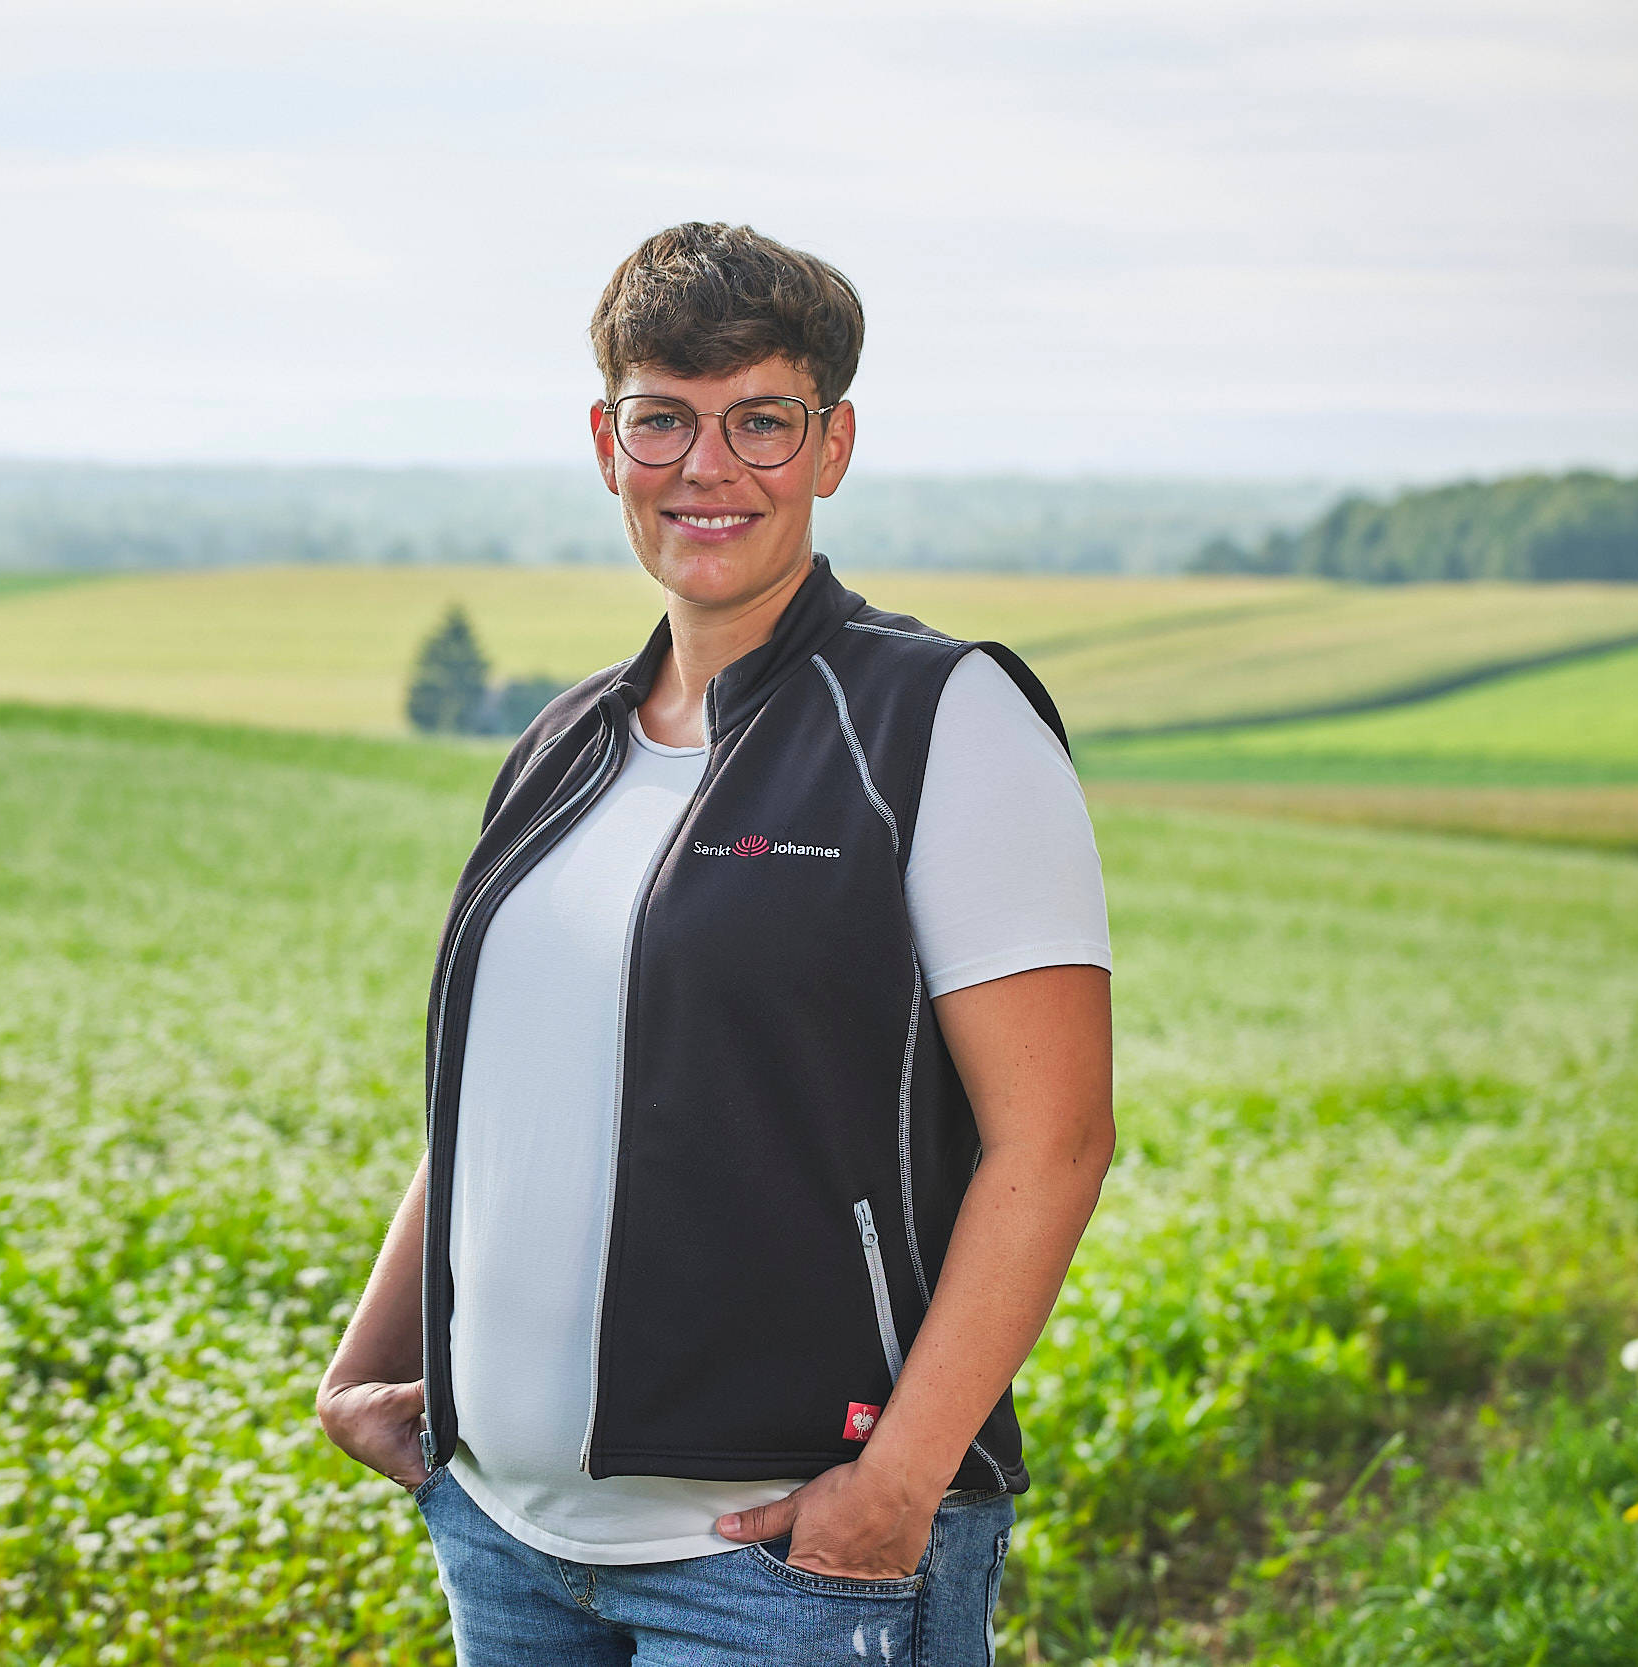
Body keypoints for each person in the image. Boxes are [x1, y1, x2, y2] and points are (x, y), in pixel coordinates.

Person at [318, 222, 1115, 1665]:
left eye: (761, 420)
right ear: (606, 442)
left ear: (833, 444)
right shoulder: (561, 747)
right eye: (664, 421)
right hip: (506, 1543)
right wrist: (377, 1356)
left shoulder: (942, 722)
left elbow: (1054, 1142)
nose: (708, 467)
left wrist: (896, 1489)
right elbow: (501, 1098)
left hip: (782, 1568)